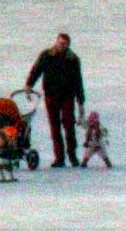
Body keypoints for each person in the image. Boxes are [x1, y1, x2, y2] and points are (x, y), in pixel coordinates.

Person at [24, 32, 87, 167]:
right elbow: (36, 70)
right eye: (60, 43)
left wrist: (81, 101)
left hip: (67, 96)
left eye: (64, 44)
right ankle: (59, 158)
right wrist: (29, 84)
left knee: (69, 126)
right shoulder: (46, 55)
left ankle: (72, 155)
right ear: (56, 42)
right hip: (51, 95)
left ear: (68, 45)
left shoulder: (73, 59)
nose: (62, 46)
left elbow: (78, 81)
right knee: (55, 126)